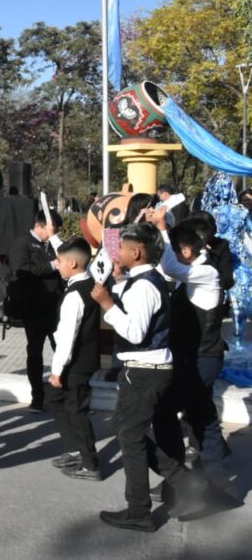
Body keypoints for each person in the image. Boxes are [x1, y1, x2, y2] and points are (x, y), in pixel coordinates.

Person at [90, 222, 202, 532]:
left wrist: (106, 304)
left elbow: (135, 332)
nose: (117, 253)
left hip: (143, 371)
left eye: (122, 248)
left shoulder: (144, 286)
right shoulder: (145, 281)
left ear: (136, 252)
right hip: (146, 370)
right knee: (131, 434)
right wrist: (117, 287)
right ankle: (188, 486)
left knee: (130, 437)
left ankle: (139, 510)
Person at [151, 209, 229, 467]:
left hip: (203, 357)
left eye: (173, 248)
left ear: (185, 251)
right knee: (201, 414)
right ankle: (215, 479)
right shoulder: (192, 273)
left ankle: (177, 479)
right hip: (192, 356)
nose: (170, 253)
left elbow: (169, 267)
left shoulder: (206, 272)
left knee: (165, 410)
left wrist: (162, 227)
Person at [46, 238, 102, 481]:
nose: (56, 265)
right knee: (55, 398)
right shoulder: (86, 284)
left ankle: (90, 464)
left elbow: (68, 336)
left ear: (72, 263)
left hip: (76, 363)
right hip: (81, 360)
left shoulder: (75, 294)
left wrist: (57, 370)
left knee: (77, 410)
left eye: (59, 261)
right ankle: (74, 449)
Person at [8, 211, 64, 413]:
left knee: (62, 348)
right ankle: (38, 397)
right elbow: (22, 268)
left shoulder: (54, 244)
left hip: (56, 305)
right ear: (40, 226)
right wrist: (51, 265)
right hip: (35, 307)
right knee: (35, 351)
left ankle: (64, 393)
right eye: (51, 230)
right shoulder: (22, 242)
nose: (52, 234)